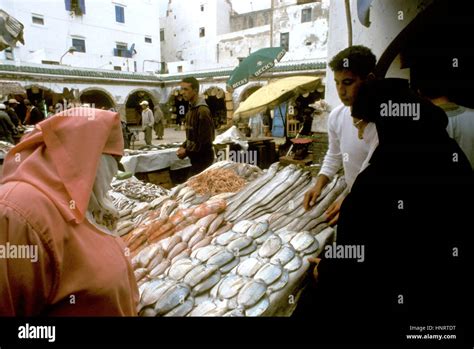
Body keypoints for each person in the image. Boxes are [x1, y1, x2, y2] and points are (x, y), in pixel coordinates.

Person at [311, 79, 473, 343]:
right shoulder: (450, 153)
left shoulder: (379, 179)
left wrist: (327, 271)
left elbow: (365, 261)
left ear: (382, 123)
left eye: (361, 125)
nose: (360, 135)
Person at [0, 107, 139, 316]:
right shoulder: (16, 212)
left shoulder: (85, 203)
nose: (112, 175)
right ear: (87, 158)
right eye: (112, 162)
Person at [303, 45, 378, 226]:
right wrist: (319, 184)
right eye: (336, 82)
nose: (340, 90)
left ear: (368, 80)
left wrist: (348, 200)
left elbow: (372, 172)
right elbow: (334, 155)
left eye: (347, 82)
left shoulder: (381, 123)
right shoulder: (337, 116)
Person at [176, 77, 215, 177]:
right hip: (195, 159)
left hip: (203, 159)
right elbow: (192, 135)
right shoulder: (191, 109)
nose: (182, 92)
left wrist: (186, 152)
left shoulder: (202, 111)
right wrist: (183, 146)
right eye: (181, 89)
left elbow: (205, 141)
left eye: (186, 89)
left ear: (195, 90)